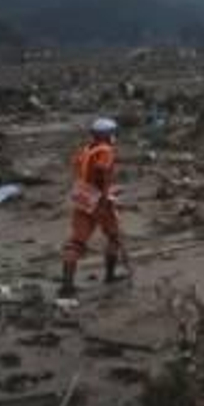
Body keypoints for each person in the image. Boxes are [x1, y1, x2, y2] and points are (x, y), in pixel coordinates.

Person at [60, 117, 124, 298]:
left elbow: (78, 168)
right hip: (98, 200)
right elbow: (102, 169)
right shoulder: (106, 151)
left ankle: (67, 285)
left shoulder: (86, 150)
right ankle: (110, 276)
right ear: (108, 135)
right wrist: (106, 194)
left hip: (81, 196)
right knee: (113, 237)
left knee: (76, 242)